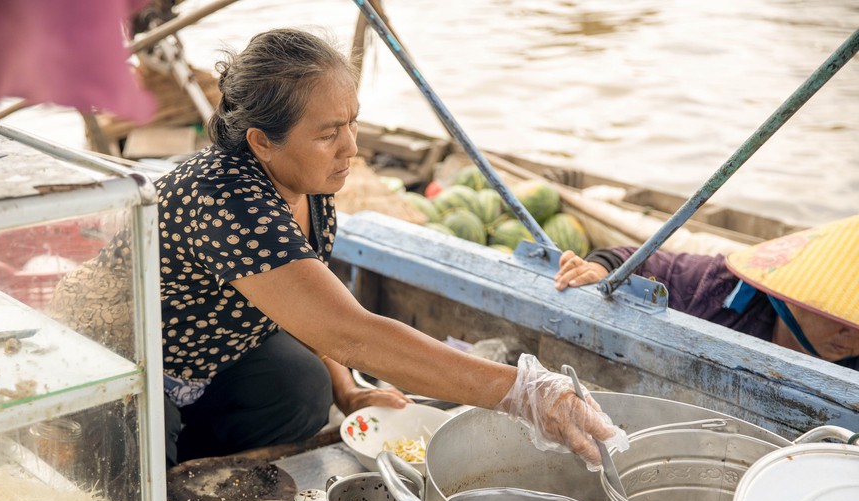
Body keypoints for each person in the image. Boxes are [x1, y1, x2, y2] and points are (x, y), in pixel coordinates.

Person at [155, 28, 625, 468]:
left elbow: (306, 299)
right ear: (262, 142)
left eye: (352, 123)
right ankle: (168, 461)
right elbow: (349, 333)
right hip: (139, 364)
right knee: (142, 473)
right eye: (327, 135)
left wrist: (349, 390)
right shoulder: (223, 199)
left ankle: (195, 455)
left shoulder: (307, 181)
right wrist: (523, 391)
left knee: (303, 387)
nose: (351, 148)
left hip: (212, 354)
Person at [552, 215, 859, 370]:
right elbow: (641, 263)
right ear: (795, 294)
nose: (851, 338)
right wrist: (602, 268)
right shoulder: (722, 287)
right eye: (841, 319)